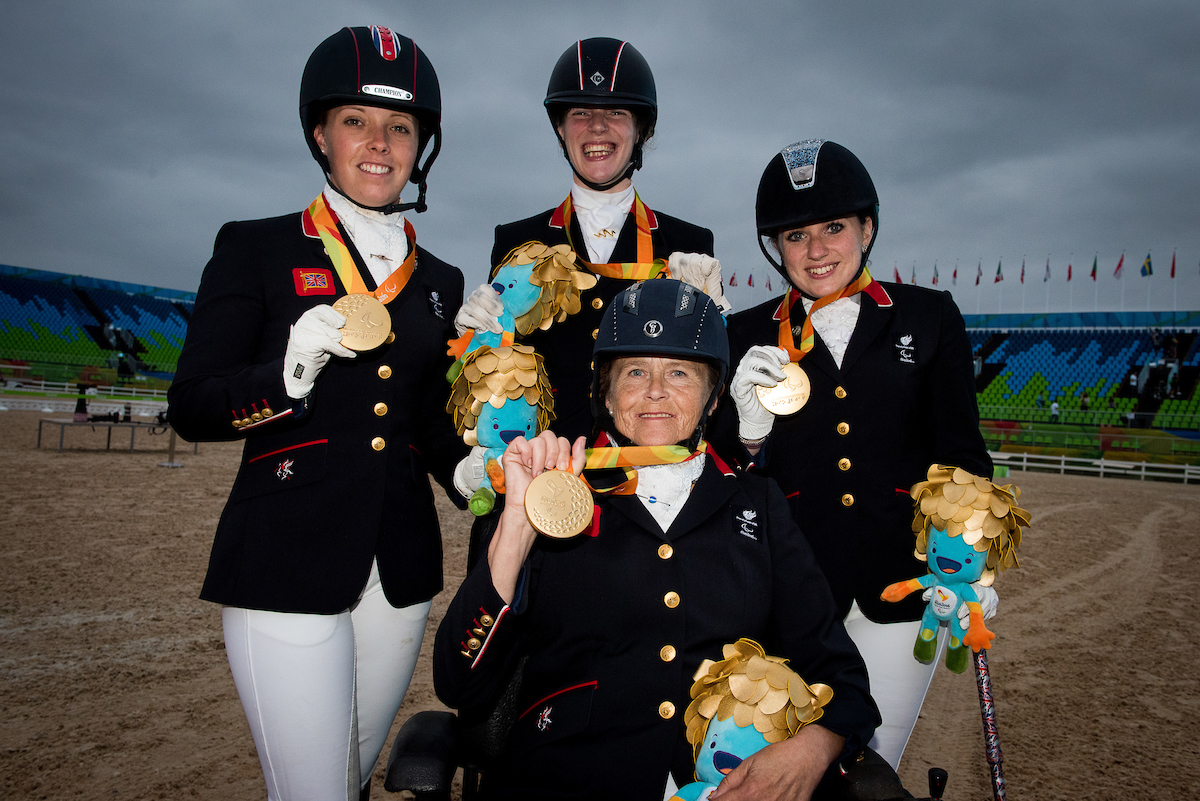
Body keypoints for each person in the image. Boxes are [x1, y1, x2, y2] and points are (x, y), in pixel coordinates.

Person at [434, 280, 877, 800]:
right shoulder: (556, 494)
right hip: (565, 778)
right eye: (635, 372)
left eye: (681, 372)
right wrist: (517, 528)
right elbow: (458, 682)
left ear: (714, 399)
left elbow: (839, 673)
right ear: (605, 391)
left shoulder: (758, 503)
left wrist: (814, 747)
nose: (655, 391)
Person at [168, 26, 465, 801]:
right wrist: (287, 374)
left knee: (351, 777)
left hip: (397, 569)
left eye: (400, 126)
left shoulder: (439, 279)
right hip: (284, 556)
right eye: (356, 120)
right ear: (319, 134)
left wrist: (473, 466)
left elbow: (428, 416)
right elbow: (193, 404)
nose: (379, 141)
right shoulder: (256, 248)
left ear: (419, 147)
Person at [711, 140, 993, 770]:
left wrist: (972, 549)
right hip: (782, 590)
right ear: (774, 247)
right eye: (795, 234)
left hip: (898, 588)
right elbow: (724, 473)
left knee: (870, 767)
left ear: (867, 227)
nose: (816, 251)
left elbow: (963, 454)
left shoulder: (929, 316)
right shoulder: (743, 334)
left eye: (834, 227)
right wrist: (749, 432)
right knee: (780, 766)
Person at [452, 37, 730, 446]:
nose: (597, 127)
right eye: (580, 112)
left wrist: (721, 324)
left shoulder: (688, 244)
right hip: (546, 475)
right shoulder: (515, 241)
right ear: (561, 129)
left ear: (641, 130)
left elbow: (704, 382)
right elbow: (498, 373)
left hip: (645, 476)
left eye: (616, 112)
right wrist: (470, 345)